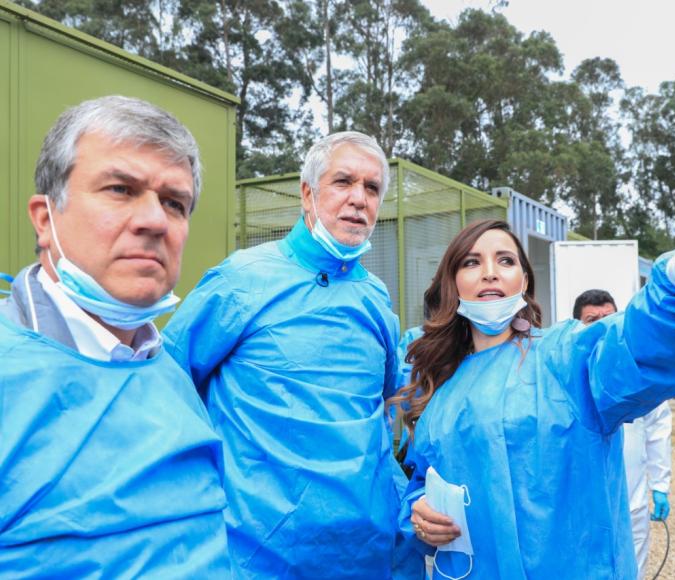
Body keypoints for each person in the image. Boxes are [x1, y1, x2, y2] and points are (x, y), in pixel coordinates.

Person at [391, 191, 675, 579]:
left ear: (523, 281)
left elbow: (638, 347)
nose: (490, 271)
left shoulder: (565, 356)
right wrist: (420, 511)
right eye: (472, 262)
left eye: (505, 260)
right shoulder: (438, 386)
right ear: (454, 283)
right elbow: (425, 480)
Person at [0, 96, 231, 577]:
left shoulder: (164, 368)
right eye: (121, 189)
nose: (155, 221)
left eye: (175, 203)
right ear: (45, 219)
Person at [164, 131, 402, 578]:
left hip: (363, 551)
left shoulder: (375, 297)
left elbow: (386, 402)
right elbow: (168, 383)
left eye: (372, 188)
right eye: (343, 182)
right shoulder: (241, 279)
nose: (359, 199)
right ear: (308, 194)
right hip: (255, 554)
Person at [574, 289, 672, 580]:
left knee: (632, 569)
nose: (603, 325)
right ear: (578, 326)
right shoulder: (564, 376)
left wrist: (661, 484)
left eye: (610, 317)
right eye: (593, 320)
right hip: (579, 505)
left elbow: (658, 428)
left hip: (632, 502)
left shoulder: (639, 373)